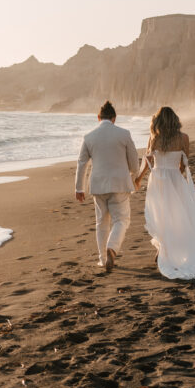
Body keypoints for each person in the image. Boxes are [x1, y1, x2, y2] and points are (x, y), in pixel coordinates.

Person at [134, 106, 195, 279]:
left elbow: (147, 162)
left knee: (161, 216)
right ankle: (172, 250)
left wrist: (138, 179)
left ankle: (164, 249)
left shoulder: (154, 138)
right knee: (180, 215)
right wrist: (176, 175)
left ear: (157, 121)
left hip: (158, 180)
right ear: (175, 120)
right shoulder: (184, 138)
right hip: (175, 179)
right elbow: (183, 164)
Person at [75, 100, 140, 273]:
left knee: (101, 222)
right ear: (114, 118)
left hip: (97, 185)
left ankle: (103, 259)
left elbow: (81, 163)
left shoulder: (89, 136)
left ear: (98, 117)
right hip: (119, 184)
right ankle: (112, 248)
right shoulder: (124, 134)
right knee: (121, 220)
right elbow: (134, 163)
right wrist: (133, 175)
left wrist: (79, 188)